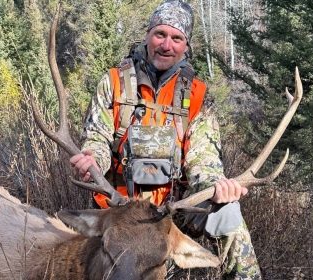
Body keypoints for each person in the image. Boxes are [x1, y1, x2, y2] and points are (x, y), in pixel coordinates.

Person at [70, 0, 261, 278]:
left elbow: (203, 161)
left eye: (177, 38)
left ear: (186, 45)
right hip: (119, 211)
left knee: (228, 214)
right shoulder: (113, 82)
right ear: (147, 34)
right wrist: (92, 161)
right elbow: (96, 139)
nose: (166, 45)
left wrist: (218, 189)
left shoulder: (196, 95)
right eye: (160, 34)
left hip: (171, 214)